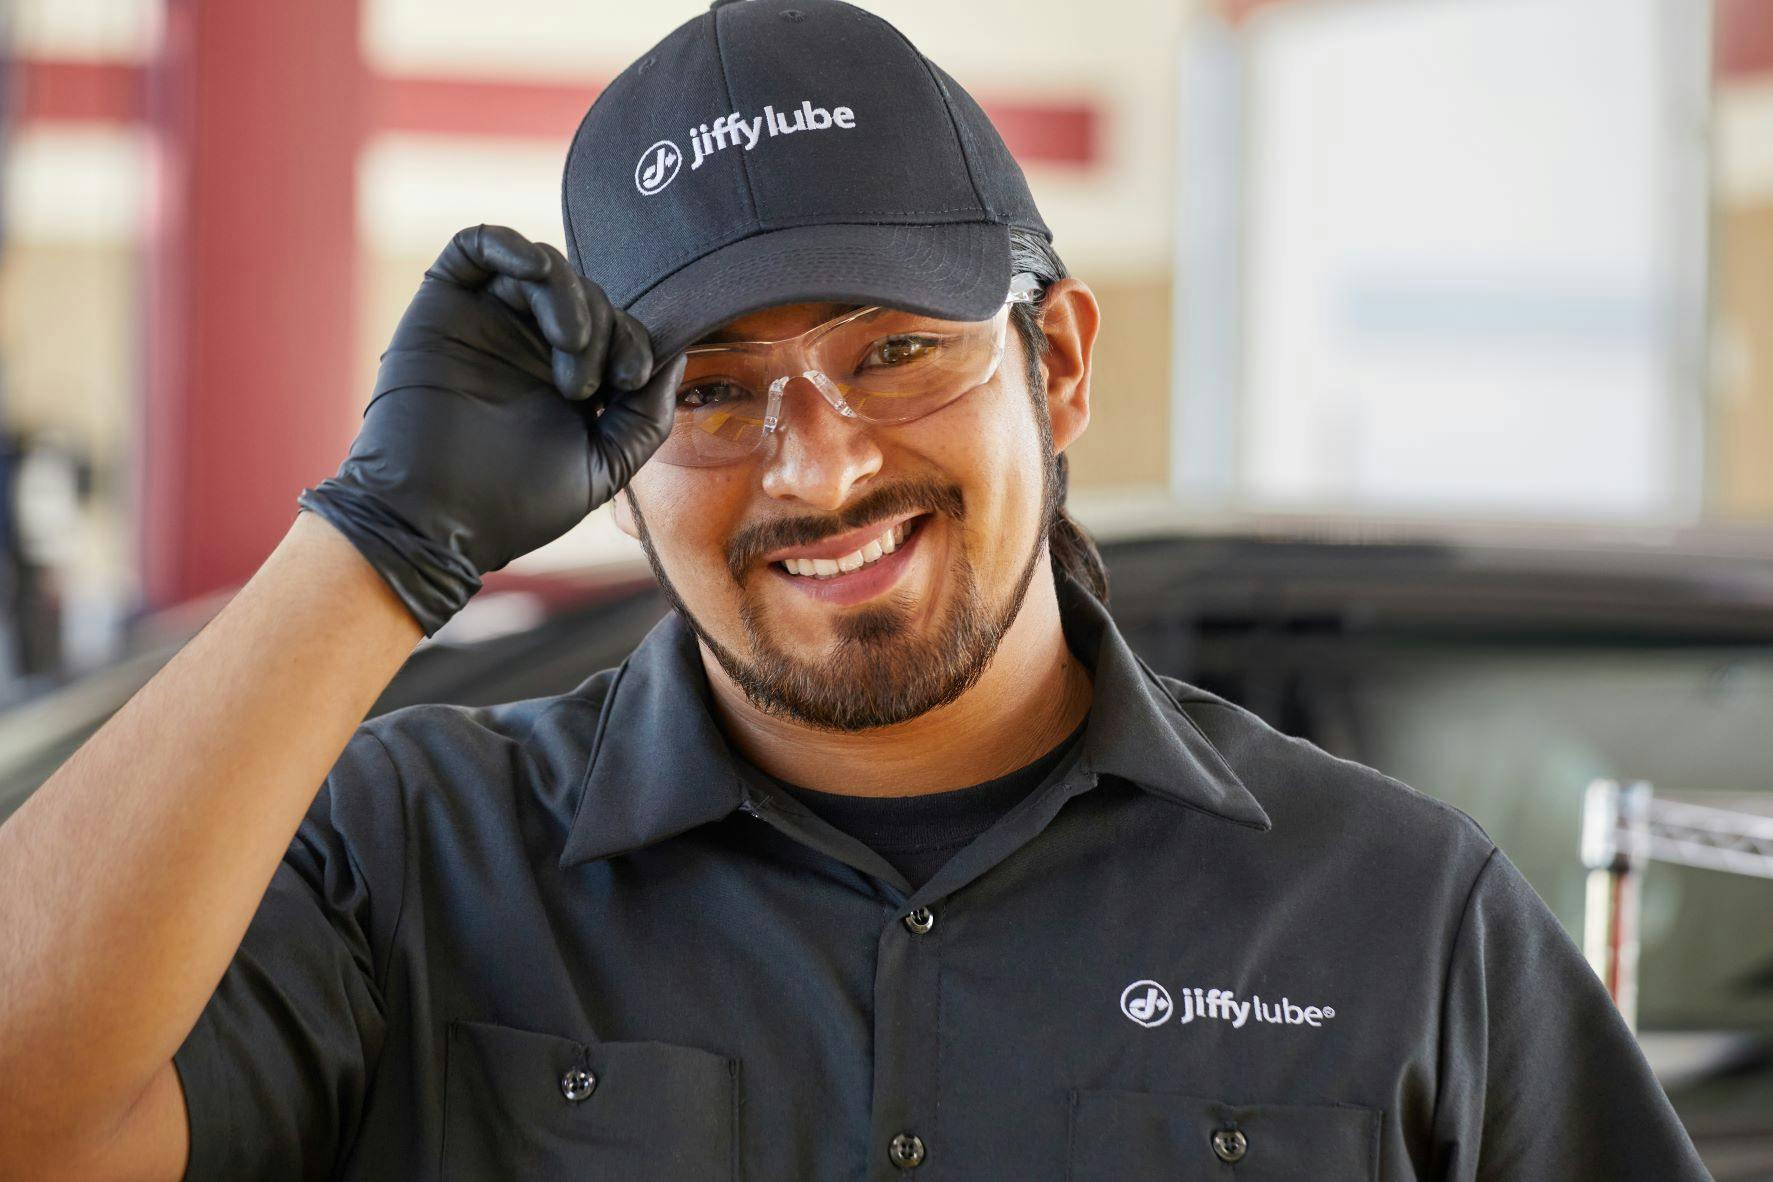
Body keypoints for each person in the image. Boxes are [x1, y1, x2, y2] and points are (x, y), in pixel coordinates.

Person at [0, 1, 1716, 1179]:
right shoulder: (414, 858)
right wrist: (377, 537)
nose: (815, 470)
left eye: (893, 351)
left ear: (1054, 361)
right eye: (713, 389)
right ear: (610, 443)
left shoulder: (1397, 915)